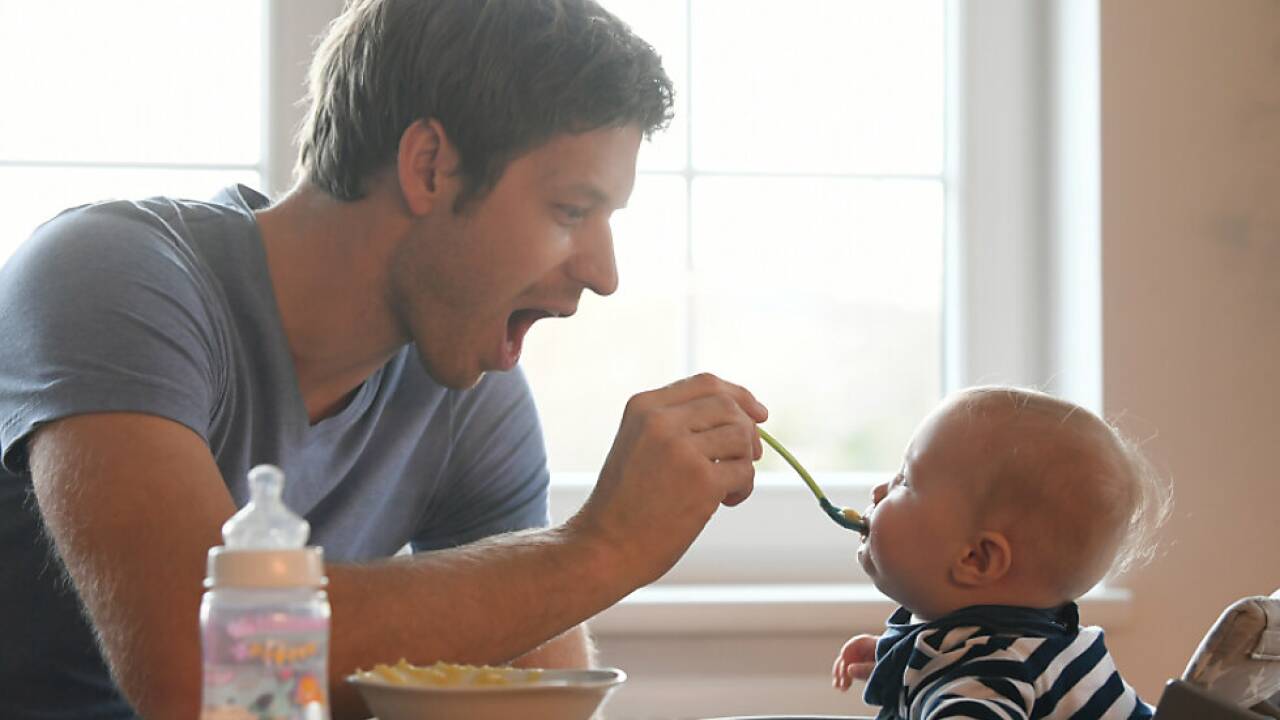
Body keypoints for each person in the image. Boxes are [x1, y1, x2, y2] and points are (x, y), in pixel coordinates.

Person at [0, 1, 769, 718]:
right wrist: (605, 546)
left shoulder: (464, 381)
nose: (604, 273)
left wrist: (591, 556)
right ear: (429, 165)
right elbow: (202, 670)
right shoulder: (110, 280)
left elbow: (529, 697)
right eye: (572, 211)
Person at [831, 387, 1170, 719]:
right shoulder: (1028, 647)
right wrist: (898, 659)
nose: (878, 491)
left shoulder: (984, 679)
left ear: (976, 559)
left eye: (906, 481)